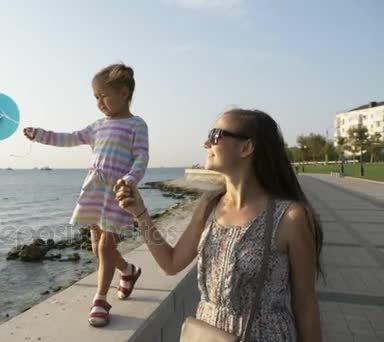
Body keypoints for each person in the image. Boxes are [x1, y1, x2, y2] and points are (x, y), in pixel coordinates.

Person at [114, 108, 323, 341]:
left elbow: (305, 305)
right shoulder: (209, 205)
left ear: (246, 148)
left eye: (215, 135)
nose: (206, 143)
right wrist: (140, 214)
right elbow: (171, 264)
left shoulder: (291, 218)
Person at [23, 63, 148, 327]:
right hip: (94, 189)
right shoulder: (97, 126)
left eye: (103, 96)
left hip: (117, 191)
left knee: (106, 245)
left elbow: (141, 157)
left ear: (124, 93)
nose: (99, 102)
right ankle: (128, 271)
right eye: (95, 98)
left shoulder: (136, 124)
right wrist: (39, 135)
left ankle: (100, 300)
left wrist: (130, 179)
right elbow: (68, 138)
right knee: (96, 247)